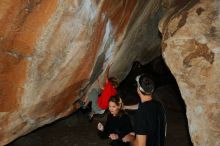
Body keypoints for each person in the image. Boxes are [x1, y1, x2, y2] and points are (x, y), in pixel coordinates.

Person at [122, 74, 167, 146]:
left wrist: (131, 138)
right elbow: (141, 106)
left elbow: (140, 144)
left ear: (138, 89)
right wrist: (125, 107)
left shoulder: (141, 114)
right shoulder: (158, 105)